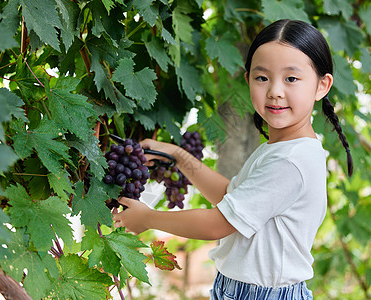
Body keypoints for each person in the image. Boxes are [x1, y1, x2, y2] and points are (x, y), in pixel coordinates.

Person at [112, 19, 353, 300]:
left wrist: (149, 218)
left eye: (291, 78)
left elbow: (220, 223)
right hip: (241, 290)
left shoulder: (291, 161)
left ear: (322, 85)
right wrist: (178, 156)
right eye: (262, 77)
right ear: (248, 78)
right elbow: (231, 196)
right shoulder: (281, 148)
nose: (275, 91)